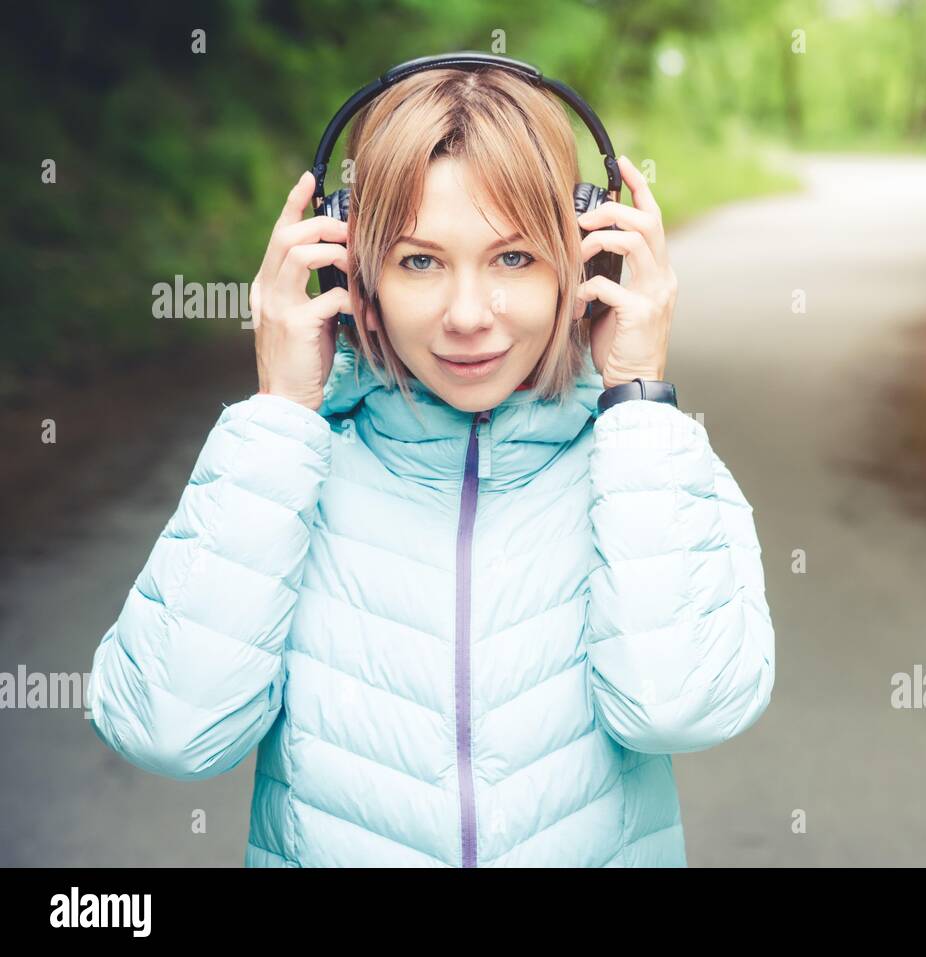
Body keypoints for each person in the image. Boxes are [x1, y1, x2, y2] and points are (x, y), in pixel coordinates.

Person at [86, 65, 775, 867]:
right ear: (352, 275)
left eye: (514, 258)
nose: (469, 315)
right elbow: (168, 730)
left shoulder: (648, 458)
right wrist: (278, 412)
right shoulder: (283, 465)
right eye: (419, 262)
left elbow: (678, 709)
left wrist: (637, 399)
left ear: (585, 267)